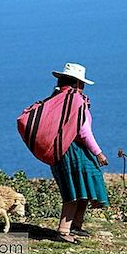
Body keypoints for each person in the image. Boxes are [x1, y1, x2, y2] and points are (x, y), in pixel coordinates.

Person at [50, 63, 110, 244]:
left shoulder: (57, 99)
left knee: (80, 186)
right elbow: (83, 131)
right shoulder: (75, 101)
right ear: (77, 83)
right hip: (74, 151)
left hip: (59, 151)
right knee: (75, 190)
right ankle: (64, 230)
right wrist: (98, 153)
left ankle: (76, 225)